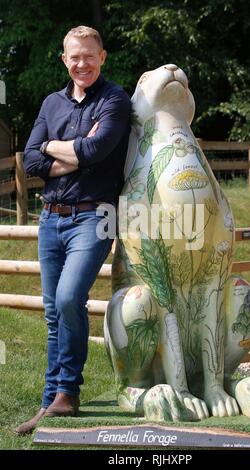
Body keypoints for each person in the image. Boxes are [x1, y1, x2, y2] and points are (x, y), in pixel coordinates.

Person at [15, 25, 131, 435]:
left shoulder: (115, 99)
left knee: (68, 298)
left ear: (102, 57)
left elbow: (97, 150)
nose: (81, 63)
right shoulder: (51, 103)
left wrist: (55, 148)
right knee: (53, 313)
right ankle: (52, 403)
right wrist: (61, 151)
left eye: (88, 55)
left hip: (94, 216)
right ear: (64, 59)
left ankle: (67, 391)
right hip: (50, 216)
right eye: (73, 56)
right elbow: (30, 161)